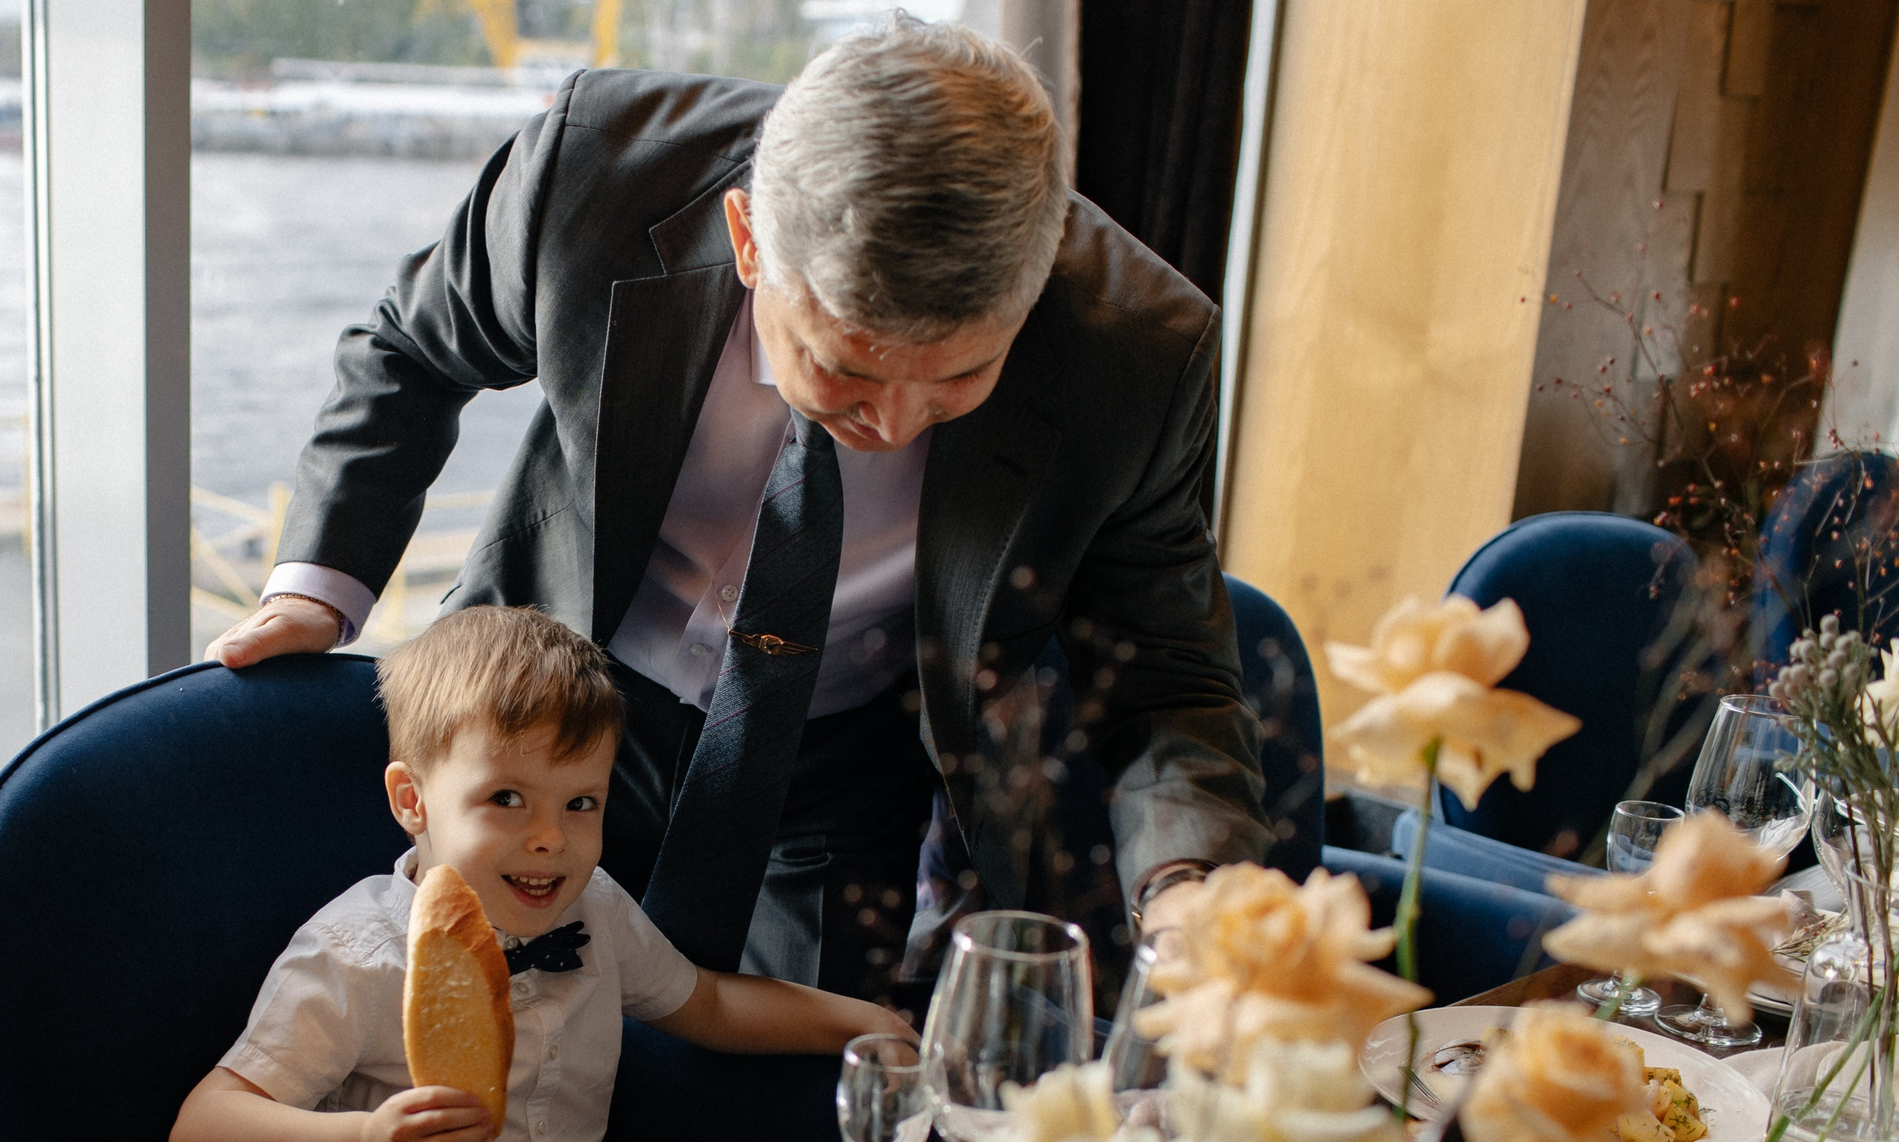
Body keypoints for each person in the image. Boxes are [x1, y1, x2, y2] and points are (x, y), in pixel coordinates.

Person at [207, 16, 1276, 999]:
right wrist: (317, 589)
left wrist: (1189, 888)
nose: (893, 423)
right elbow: (409, 352)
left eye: (959, 377)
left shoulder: (1140, 353)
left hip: (839, 765)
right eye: (846, 368)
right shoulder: (598, 172)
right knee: (478, 1026)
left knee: (787, 1098)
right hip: (544, 691)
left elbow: (1168, 671)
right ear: (749, 237)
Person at [170, 605, 907, 1142]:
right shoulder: (354, 954)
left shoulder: (595, 908)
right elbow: (201, 1129)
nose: (551, 837)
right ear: (413, 800)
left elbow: (708, 1004)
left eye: (580, 803)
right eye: (507, 798)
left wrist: (859, 1020)